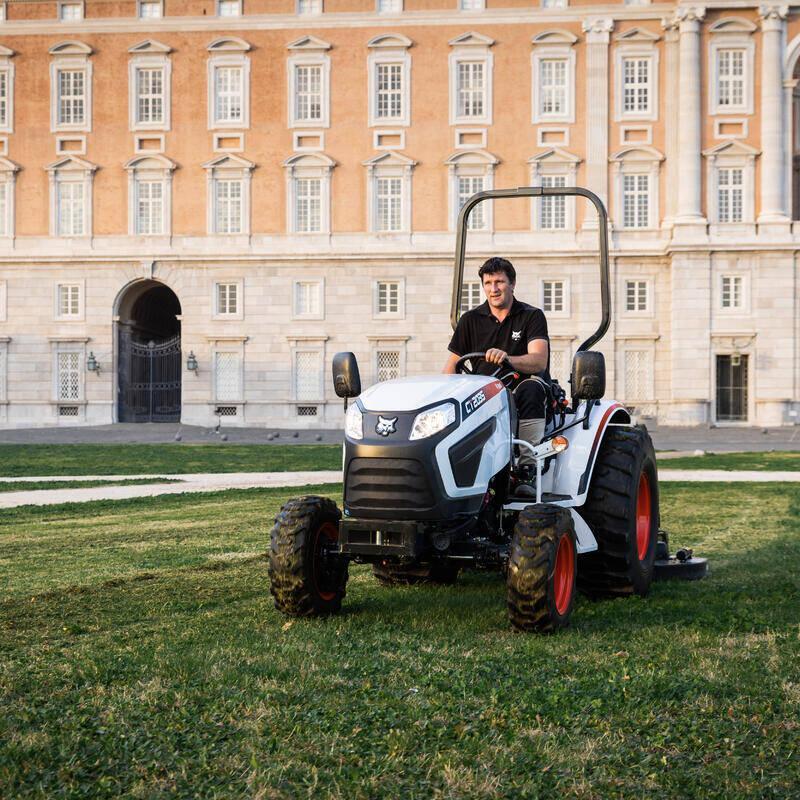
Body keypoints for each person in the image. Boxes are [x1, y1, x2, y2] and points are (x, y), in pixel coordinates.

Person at [443, 256, 550, 485]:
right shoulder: (470, 320)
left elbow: (539, 361)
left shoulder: (531, 316)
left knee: (531, 388)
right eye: (488, 283)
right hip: (483, 392)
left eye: (499, 282)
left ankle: (527, 470)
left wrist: (507, 359)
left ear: (512, 284)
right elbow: (451, 366)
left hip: (520, 388)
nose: (494, 289)